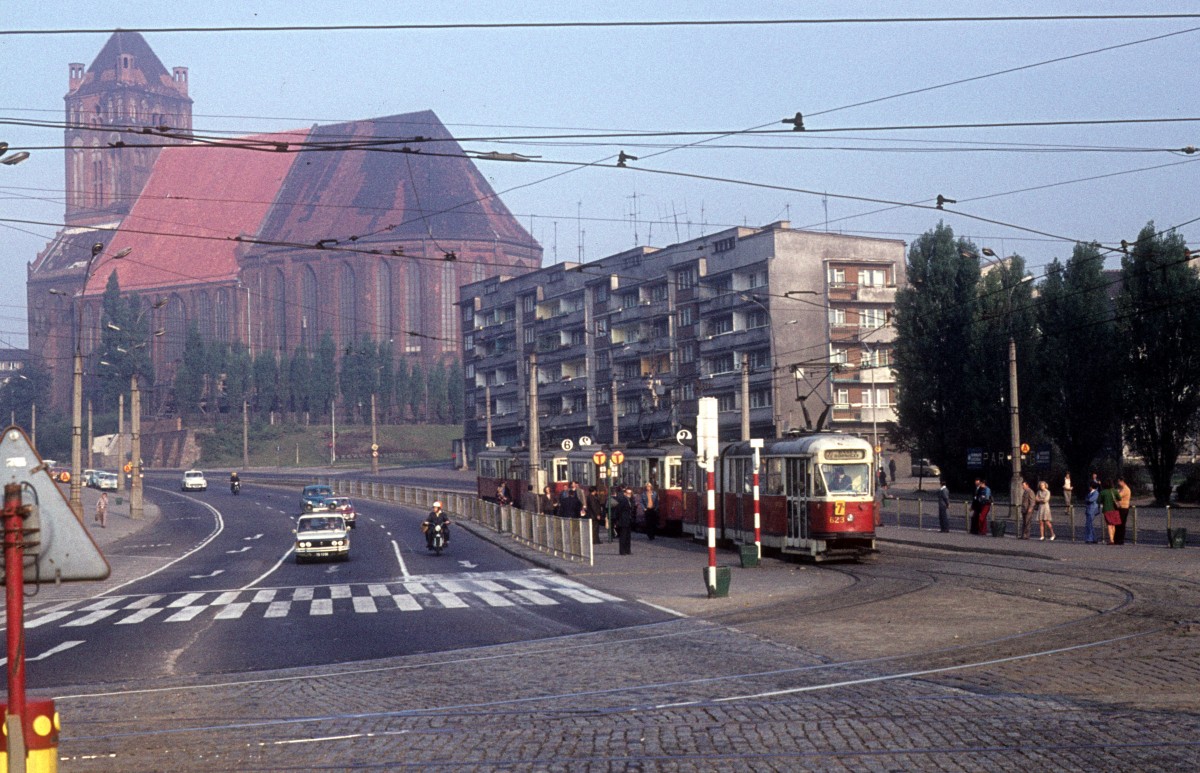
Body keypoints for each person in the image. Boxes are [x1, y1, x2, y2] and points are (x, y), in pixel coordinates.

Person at [614, 485, 635, 555]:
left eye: (630, 493)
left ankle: (628, 550)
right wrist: (618, 519)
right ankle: (622, 551)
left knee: (628, 536)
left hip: (628, 520)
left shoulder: (630, 500)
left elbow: (632, 508)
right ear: (625, 493)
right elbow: (619, 510)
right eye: (628, 493)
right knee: (623, 536)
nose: (629, 494)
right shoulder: (623, 500)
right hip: (623, 520)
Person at [1098, 479, 1119, 544]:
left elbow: (1098, 501)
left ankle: (1111, 540)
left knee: (1109, 525)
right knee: (1113, 525)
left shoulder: (1103, 492)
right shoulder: (1115, 491)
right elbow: (1119, 498)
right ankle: (1113, 538)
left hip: (1107, 509)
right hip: (1115, 509)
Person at [1114, 477, 1132, 545]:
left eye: (1119, 482)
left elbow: (1118, 496)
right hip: (1120, 508)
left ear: (1122, 481)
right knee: (1118, 524)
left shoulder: (1125, 489)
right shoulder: (1121, 489)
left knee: (1121, 524)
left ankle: (1120, 539)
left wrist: (1115, 493)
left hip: (1123, 508)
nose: (1118, 483)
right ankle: (1117, 539)